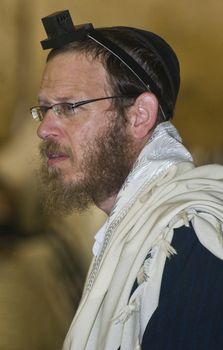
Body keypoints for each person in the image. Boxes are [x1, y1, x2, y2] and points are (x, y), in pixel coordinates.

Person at [31, 10, 223, 350]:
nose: (44, 128)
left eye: (70, 106)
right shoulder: (134, 231)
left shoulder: (194, 236)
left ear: (139, 116)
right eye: (44, 109)